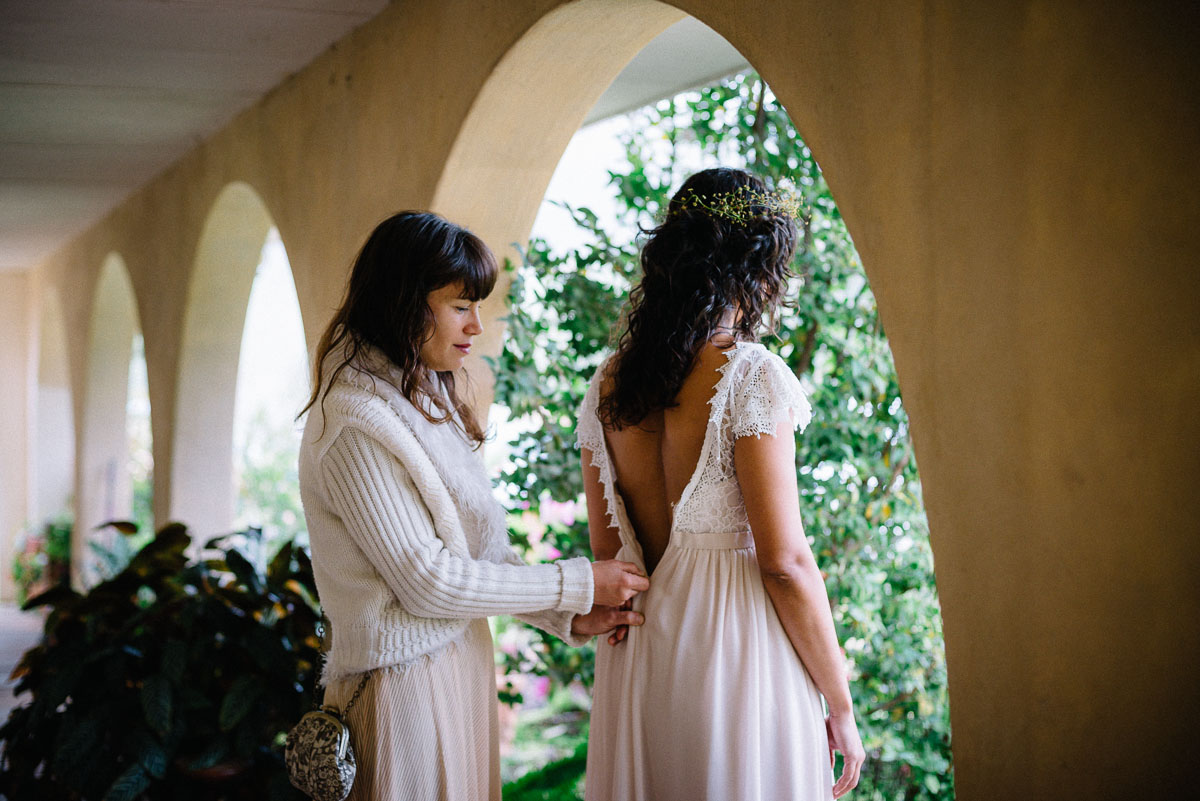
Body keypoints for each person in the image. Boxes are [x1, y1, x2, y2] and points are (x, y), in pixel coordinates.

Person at [297, 210, 649, 801]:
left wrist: (564, 616)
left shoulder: (418, 397)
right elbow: (429, 581)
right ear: (405, 303)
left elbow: (475, 555)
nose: (477, 325)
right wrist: (578, 583)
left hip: (455, 670)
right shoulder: (354, 422)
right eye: (460, 306)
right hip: (401, 691)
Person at [579, 168, 866, 800]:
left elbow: (609, 556)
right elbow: (785, 563)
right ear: (757, 264)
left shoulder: (608, 385)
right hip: (736, 663)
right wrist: (839, 704)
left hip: (640, 660)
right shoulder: (751, 375)